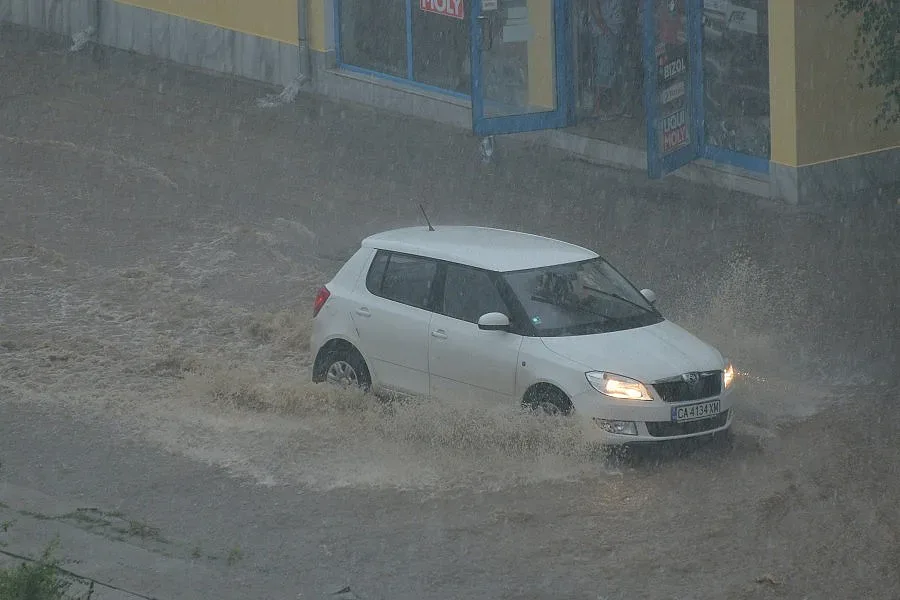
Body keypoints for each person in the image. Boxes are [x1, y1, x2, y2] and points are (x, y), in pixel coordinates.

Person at [588, 0, 626, 120]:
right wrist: (604, 28)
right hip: (607, 32)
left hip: (614, 31)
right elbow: (594, 6)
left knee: (612, 69)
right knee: (604, 69)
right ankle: (598, 107)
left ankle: (613, 105)